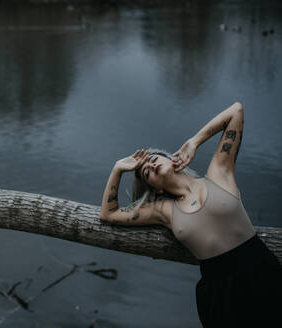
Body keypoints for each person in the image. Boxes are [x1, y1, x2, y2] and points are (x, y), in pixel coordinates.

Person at [99, 102, 282, 327]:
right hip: (219, 294)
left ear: (172, 159)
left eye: (154, 158)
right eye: (146, 172)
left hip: (261, 272)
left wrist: (195, 141)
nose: (151, 164)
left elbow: (236, 111)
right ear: (155, 188)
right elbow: (109, 213)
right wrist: (118, 168)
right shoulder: (163, 210)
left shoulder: (218, 173)